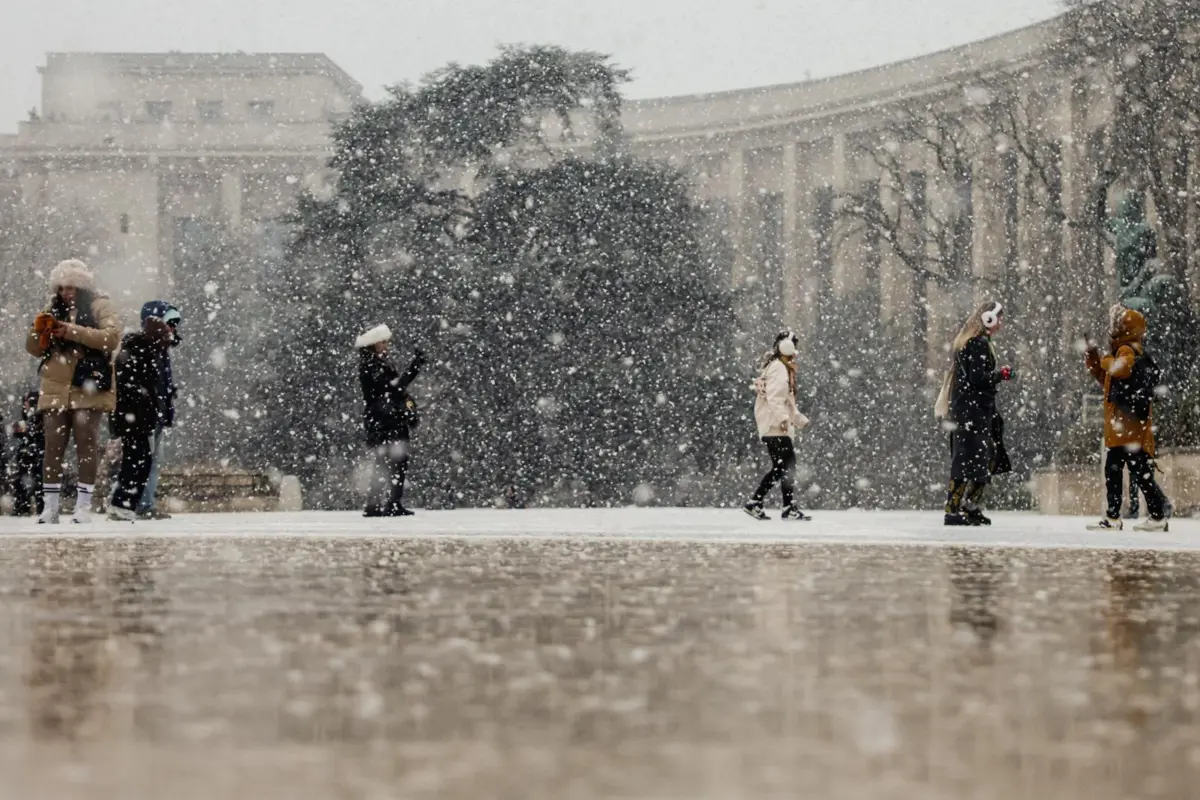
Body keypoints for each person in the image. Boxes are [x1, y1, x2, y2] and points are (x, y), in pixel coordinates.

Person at [25, 259, 121, 524]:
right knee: (52, 448)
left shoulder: (100, 305)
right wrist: (39, 331)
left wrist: (71, 331)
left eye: (72, 287)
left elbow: (111, 337)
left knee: (86, 446)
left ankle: (83, 506)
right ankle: (50, 507)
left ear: (83, 287)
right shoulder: (51, 309)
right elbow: (33, 349)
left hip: (88, 385)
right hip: (55, 386)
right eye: (62, 287)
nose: (66, 293)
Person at [1084, 306, 1170, 531]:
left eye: (1118, 325)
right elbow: (1108, 381)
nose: (1113, 329)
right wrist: (1094, 359)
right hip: (1125, 427)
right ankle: (1143, 516)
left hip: (1127, 426)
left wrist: (1102, 359)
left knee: (1127, 471)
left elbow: (1120, 369)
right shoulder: (1124, 350)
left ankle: (1135, 517)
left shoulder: (1126, 350)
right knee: (1132, 471)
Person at [940, 301, 1013, 526]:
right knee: (973, 458)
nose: (1000, 323)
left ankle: (966, 506)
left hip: (970, 410)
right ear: (987, 319)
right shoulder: (978, 344)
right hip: (973, 412)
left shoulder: (970, 343)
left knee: (978, 457)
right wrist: (1000, 374)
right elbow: (977, 379)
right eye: (998, 318)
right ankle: (956, 509)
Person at [108, 311, 175, 521]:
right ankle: (122, 503)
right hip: (135, 418)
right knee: (137, 461)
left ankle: (125, 503)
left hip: (135, 418)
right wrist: (148, 406)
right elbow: (134, 390)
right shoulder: (139, 355)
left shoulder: (139, 352)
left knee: (139, 461)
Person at [356, 324, 425, 517]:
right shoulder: (372, 365)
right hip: (386, 418)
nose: (386, 346)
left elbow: (393, 388)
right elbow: (393, 388)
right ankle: (389, 502)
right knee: (394, 461)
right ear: (373, 344)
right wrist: (413, 368)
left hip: (384, 417)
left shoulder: (376, 363)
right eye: (383, 342)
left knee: (386, 461)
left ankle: (378, 503)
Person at [744, 331, 811, 521]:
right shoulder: (779, 368)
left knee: (782, 466)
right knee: (786, 466)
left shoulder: (781, 367)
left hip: (774, 424)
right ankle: (772, 504)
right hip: (774, 426)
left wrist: (798, 419)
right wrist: (783, 420)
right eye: (794, 347)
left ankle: (763, 502)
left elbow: (786, 401)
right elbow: (775, 399)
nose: (796, 352)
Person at [134, 300, 182, 519]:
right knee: (148, 461)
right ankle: (143, 504)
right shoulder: (151, 350)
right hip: (150, 415)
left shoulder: (159, 349)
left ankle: (141, 502)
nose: (173, 327)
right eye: (169, 322)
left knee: (150, 460)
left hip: (154, 414)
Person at [10, 390, 45, 516]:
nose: (25, 405)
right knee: (21, 480)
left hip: (37, 450)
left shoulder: (40, 415)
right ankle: (22, 506)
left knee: (39, 480)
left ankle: (37, 507)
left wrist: (29, 430)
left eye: (27, 402)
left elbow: (39, 431)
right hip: (26, 451)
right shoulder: (26, 415)